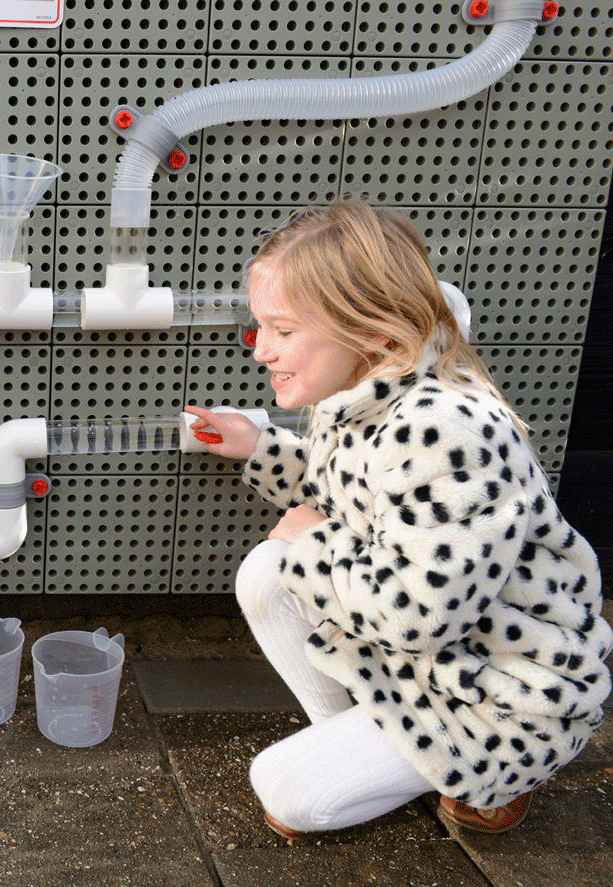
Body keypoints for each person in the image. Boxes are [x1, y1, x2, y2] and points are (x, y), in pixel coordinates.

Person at [185, 200, 610, 837]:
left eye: (282, 330)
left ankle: (487, 769)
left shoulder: (447, 429)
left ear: (371, 332)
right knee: (269, 570)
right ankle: (370, 747)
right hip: (443, 652)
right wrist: (259, 446)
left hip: (506, 690)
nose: (260, 352)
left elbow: (423, 614)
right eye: (259, 328)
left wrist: (318, 545)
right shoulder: (374, 392)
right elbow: (361, 492)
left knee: (287, 794)